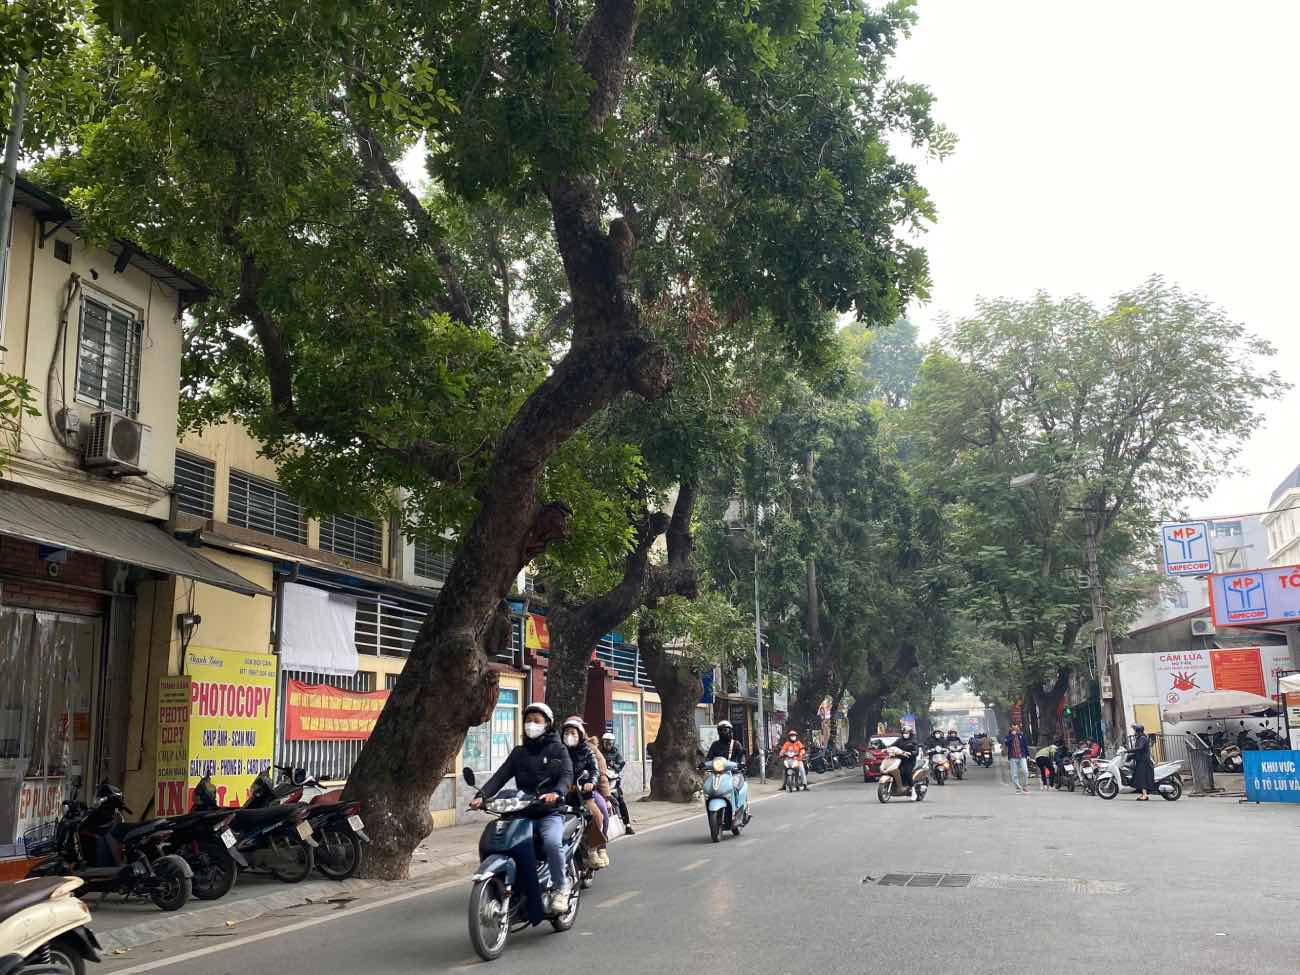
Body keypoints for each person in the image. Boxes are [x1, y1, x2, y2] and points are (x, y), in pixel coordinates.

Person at [470, 702, 574, 914]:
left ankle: (561, 887)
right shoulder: (519, 753)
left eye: (537, 721)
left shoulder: (557, 749)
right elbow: (500, 776)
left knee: (553, 843)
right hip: (522, 810)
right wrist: (482, 796)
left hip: (549, 810)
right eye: (528, 721)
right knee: (501, 840)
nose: (531, 725)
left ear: (548, 724)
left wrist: (557, 793)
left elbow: (566, 775)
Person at [560, 716, 610, 869]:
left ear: (581, 732)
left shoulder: (589, 750)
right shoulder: (558, 750)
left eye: (573, 732)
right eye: (567, 732)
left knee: (599, 814)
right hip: (561, 793)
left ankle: (597, 848)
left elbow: (598, 772)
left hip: (584, 793)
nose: (570, 735)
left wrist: (593, 785)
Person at [598, 731, 634, 834]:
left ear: (613, 743)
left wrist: (614, 765)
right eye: (606, 742)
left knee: (621, 801)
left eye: (610, 743)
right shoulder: (599, 752)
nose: (608, 745)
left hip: (614, 781)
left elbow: (621, 764)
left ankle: (627, 825)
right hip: (602, 782)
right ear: (603, 742)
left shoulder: (616, 753)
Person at [1129, 724, 1156, 801]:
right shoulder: (1140, 738)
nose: (1134, 732)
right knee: (1139, 777)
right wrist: (1129, 755)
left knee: (1142, 778)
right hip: (1140, 760)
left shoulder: (1143, 738)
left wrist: (1129, 751)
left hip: (1144, 761)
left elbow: (1140, 748)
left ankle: (1145, 795)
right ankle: (1142, 794)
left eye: (1135, 731)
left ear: (1138, 731)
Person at [1004, 722, 1031, 794]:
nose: (1015, 729)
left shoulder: (1022, 736)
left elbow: (1025, 746)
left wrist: (1028, 755)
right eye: (1013, 728)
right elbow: (1006, 743)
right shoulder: (1008, 737)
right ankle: (1018, 788)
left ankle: (1025, 787)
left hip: (1022, 756)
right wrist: (1012, 736)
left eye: (1016, 728)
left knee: (1025, 771)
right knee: (1014, 774)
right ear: (1011, 728)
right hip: (1013, 758)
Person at [894, 727, 919, 798]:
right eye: (904, 733)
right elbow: (892, 745)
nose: (905, 734)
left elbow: (916, 751)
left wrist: (911, 753)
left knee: (907, 772)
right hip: (899, 760)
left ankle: (913, 790)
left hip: (910, 760)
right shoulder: (899, 740)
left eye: (907, 733)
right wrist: (886, 748)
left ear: (910, 734)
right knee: (896, 771)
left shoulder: (913, 741)